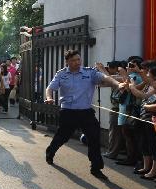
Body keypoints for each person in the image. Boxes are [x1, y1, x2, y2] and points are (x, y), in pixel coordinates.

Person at [44, 49, 127, 180]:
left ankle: (96, 167)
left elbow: (105, 78)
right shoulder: (61, 74)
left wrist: (118, 84)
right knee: (62, 137)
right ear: (67, 62)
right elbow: (50, 88)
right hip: (68, 112)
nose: (77, 62)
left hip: (85, 112)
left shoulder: (90, 73)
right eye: (73, 60)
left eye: (78, 59)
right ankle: (50, 152)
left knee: (94, 137)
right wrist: (49, 97)